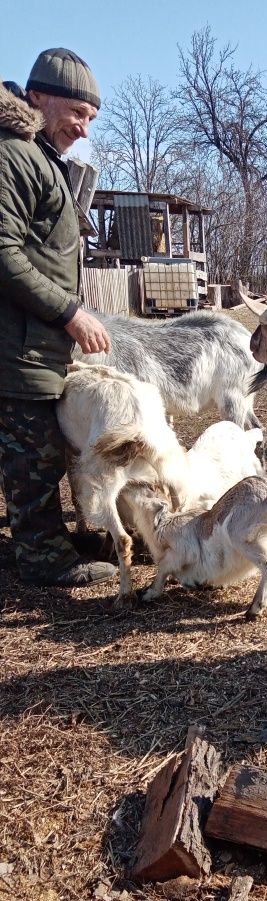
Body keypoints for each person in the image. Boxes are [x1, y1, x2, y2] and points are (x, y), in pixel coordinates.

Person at [0, 48, 117, 587]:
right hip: (14, 347)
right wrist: (71, 313)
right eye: (75, 112)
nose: (83, 127)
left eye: (90, 117)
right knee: (35, 455)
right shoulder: (15, 155)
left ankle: (43, 538)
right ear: (37, 97)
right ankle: (41, 556)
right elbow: (4, 253)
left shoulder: (40, 158)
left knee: (38, 450)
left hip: (32, 344)